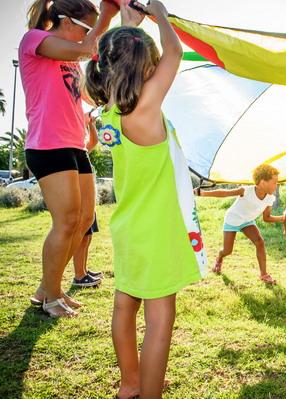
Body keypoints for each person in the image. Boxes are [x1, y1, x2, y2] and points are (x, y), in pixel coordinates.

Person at [85, 2, 207, 398]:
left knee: (125, 307)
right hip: (157, 230)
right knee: (159, 320)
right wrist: (160, 13)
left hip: (129, 228)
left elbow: (121, 56)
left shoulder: (109, 114)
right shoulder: (146, 109)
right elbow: (173, 53)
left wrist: (129, 24)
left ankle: (130, 384)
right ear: (147, 71)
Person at [21, 0, 118, 317]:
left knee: (83, 220)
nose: (86, 37)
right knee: (64, 223)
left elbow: (90, 91)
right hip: (48, 145)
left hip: (74, 145)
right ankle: (51, 299)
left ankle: (48, 289)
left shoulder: (72, 60)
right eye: (86, 28)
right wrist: (107, 14)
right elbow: (84, 50)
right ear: (66, 21)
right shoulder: (35, 40)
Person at [196, 164, 283, 285]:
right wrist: (203, 193)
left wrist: (283, 218)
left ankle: (264, 274)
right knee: (227, 251)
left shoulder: (270, 198)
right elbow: (225, 193)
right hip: (233, 220)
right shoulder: (246, 191)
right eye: (274, 182)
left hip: (247, 221)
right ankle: (220, 257)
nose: (276, 185)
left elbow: (266, 218)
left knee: (260, 242)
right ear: (263, 182)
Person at [72, 113, 103, 288]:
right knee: (82, 237)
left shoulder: (81, 145)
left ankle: (83, 270)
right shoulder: (71, 146)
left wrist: (91, 124)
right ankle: (79, 275)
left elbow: (93, 142)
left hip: (87, 198)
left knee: (88, 236)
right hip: (80, 200)